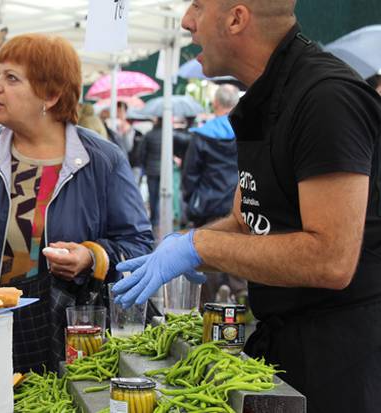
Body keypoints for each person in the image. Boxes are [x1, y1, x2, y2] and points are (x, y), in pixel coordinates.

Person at [113, 1, 381, 412]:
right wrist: (178, 245)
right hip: (279, 342)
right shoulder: (261, 98)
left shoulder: (326, 98)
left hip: (342, 358)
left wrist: (200, 246)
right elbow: (247, 221)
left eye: (198, 7)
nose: (186, 21)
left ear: (237, 18)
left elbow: (331, 259)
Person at [0, 34, 153, 373]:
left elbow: (138, 246)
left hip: (69, 334)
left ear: (50, 95)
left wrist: (90, 256)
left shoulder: (102, 160)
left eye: (11, 78)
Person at [181, 84, 246, 305]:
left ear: (215, 103)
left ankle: (209, 304)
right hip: (239, 202)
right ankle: (240, 294)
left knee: (207, 251)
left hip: (208, 204)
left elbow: (190, 174)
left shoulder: (203, 135)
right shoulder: (246, 132)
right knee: (238, 248)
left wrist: (191, 201)